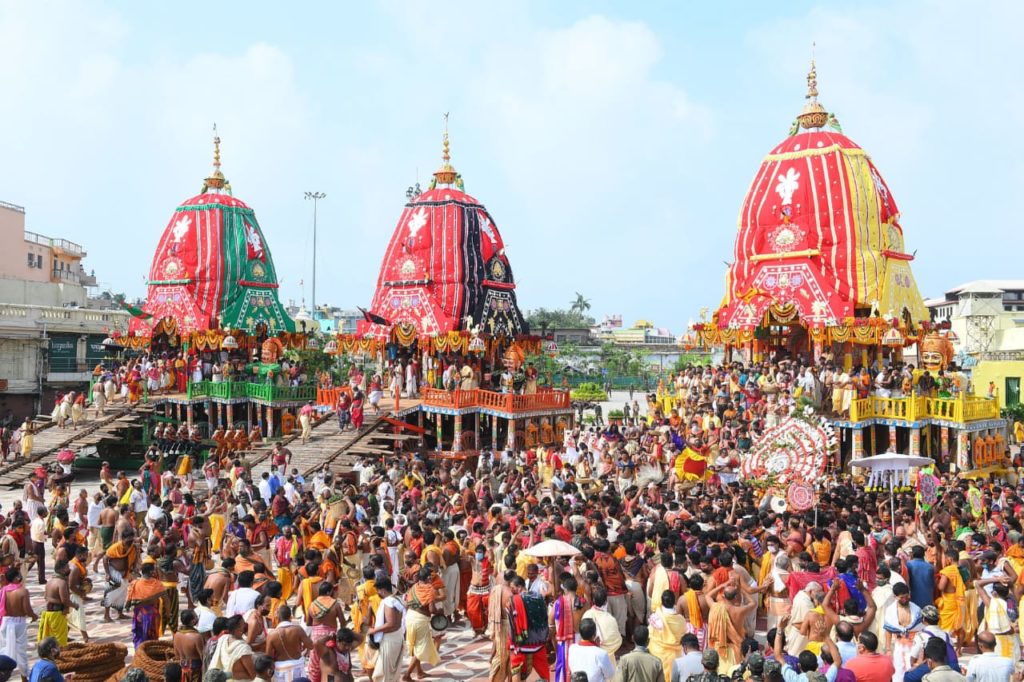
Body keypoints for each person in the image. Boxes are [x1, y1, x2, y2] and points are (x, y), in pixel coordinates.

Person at [0, 566, 36, 680]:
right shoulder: (23, 591)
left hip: (5, 621)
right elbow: (27, 609)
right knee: (21, 651)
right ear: (16, 578)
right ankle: (24, 677)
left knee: (4, 649)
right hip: (18, 622)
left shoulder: (3, 590)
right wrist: (34, 616)